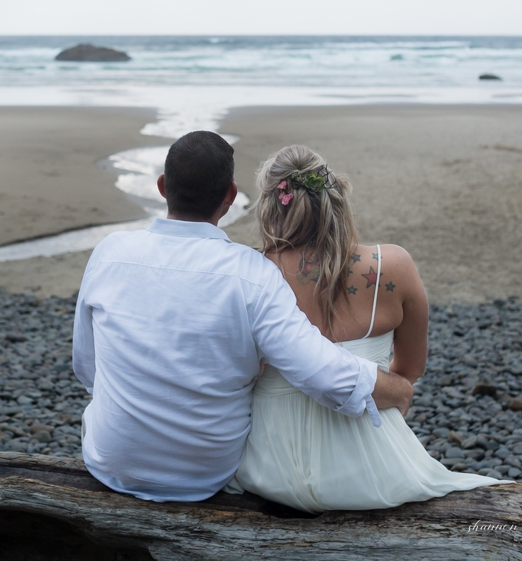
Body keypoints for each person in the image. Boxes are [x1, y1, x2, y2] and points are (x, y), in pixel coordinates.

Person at [72, 131, 415, 502]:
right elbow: (322, 373)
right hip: (203, 475)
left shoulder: (109, 253)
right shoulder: (251, 274)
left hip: (110, 462)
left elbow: (87, 367)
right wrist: (398, 389)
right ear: (230, 197)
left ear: (161, 187)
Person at [227, 145, 509, 513]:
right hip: (377, 469)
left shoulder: (248, 271)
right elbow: (409, 372)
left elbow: (238, 377)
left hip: (270, 469)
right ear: (337, 197)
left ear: (268, 206)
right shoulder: (392, 264)